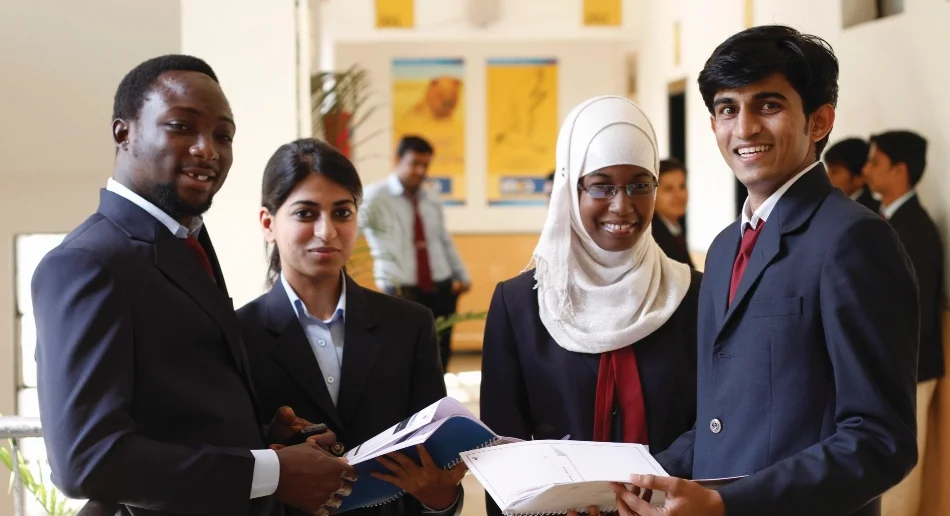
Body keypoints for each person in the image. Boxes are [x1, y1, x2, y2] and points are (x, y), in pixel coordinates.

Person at [31, 55, 356, 516]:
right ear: (124, 133)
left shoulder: (185, 241)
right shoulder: (87, 262)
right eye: (182, 127)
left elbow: (173, 412)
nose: (208, 150)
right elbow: (87, 461)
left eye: (223, 135)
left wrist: (265, 439)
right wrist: (270, 471)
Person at [615, 26, 919, 516]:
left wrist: (730, 504)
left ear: (819, 121)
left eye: (769, 105)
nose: (745, 128)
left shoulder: (854, 239)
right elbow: (721, 422)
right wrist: (634, 480)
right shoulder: (722, 249)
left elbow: (880, 440)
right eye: (727, 108)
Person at [481, 95, 702, 516]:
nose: (623, 205)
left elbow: (715, 422)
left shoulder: (693, 295)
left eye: (640, 184)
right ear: (570, 188)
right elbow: (502, 451)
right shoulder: (520, 305)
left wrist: (650, 487)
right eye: (601, 185)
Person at [236, 138, 466, 516]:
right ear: (268, 223)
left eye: (342, 213)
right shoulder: (238, 335)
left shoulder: (409, 325)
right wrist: (272, 440)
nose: (326, 231)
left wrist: (441, 500)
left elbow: (434, 468)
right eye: (306, 213)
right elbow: (233, 470)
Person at [862, 130, 944, 516]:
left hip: (908, 368)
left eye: (875, 162)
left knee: (900, 475)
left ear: (900, 170)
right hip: (887, 366)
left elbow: (918, 316)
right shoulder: (884, 221)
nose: (866, 170)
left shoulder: (916, 230)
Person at [360, 135, 471, 371]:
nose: (421, 171)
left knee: (440, 355)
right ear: (397, 160)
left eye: (425, 165)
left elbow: (443, 239)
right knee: (403, 357)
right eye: (414, 164)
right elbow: (349, 232)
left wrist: (462, 275)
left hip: (440, 286)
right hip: (401, 290)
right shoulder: (375, 197)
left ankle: (439, 395)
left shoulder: (430, 197)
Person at [651, 158, 694, 267]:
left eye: (682, 186)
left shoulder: (674, 228)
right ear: (652, 194)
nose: (678, 195)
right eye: (669, 189)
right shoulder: (652, 238)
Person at [824, 137, 879, 212]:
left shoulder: (872, 213)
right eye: (827, 170)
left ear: (859, 178)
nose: (827, 177)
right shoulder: (828, 207)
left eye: (835, 172)